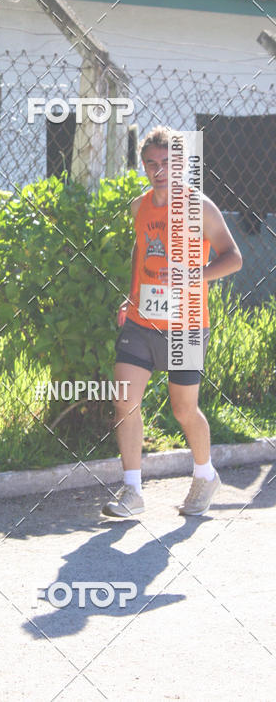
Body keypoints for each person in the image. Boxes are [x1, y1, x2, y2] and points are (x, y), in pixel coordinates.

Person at [102, 126, 243, 518]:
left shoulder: (200, 207)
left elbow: (233, 257)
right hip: (141, 321)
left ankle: (205, 475)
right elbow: (140, 248)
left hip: (187, 325)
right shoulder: (139, 207)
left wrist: (194, 275)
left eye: (167, 162)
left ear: (180, 165)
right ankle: (132, 491)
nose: (159, 170)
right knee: (124, 400)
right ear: (143, 166)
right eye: (151, 163)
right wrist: (132, 294)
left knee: (183, 409)